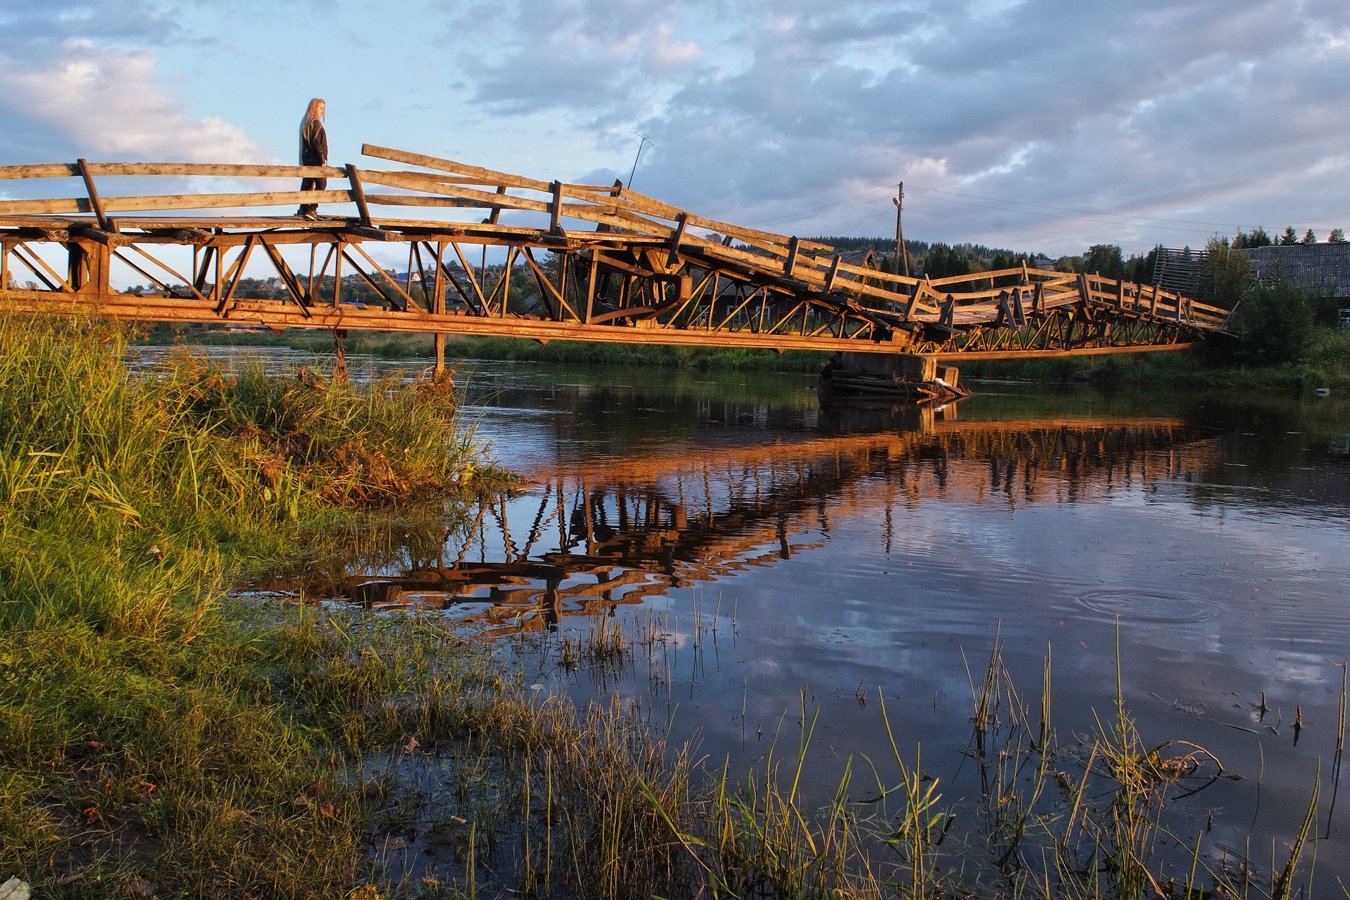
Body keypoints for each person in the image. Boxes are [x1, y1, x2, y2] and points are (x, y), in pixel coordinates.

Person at [297, 98, 328, 219]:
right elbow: (317, 144)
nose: (322, 111)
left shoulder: (305, 123)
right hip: (316, 160)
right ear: (314, 108)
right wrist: (322, 160)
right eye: (320, 108)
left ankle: (303, 209)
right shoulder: (315, 123)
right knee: (322, 184)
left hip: (306, 160)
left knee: (307, 184)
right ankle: (312, 209)